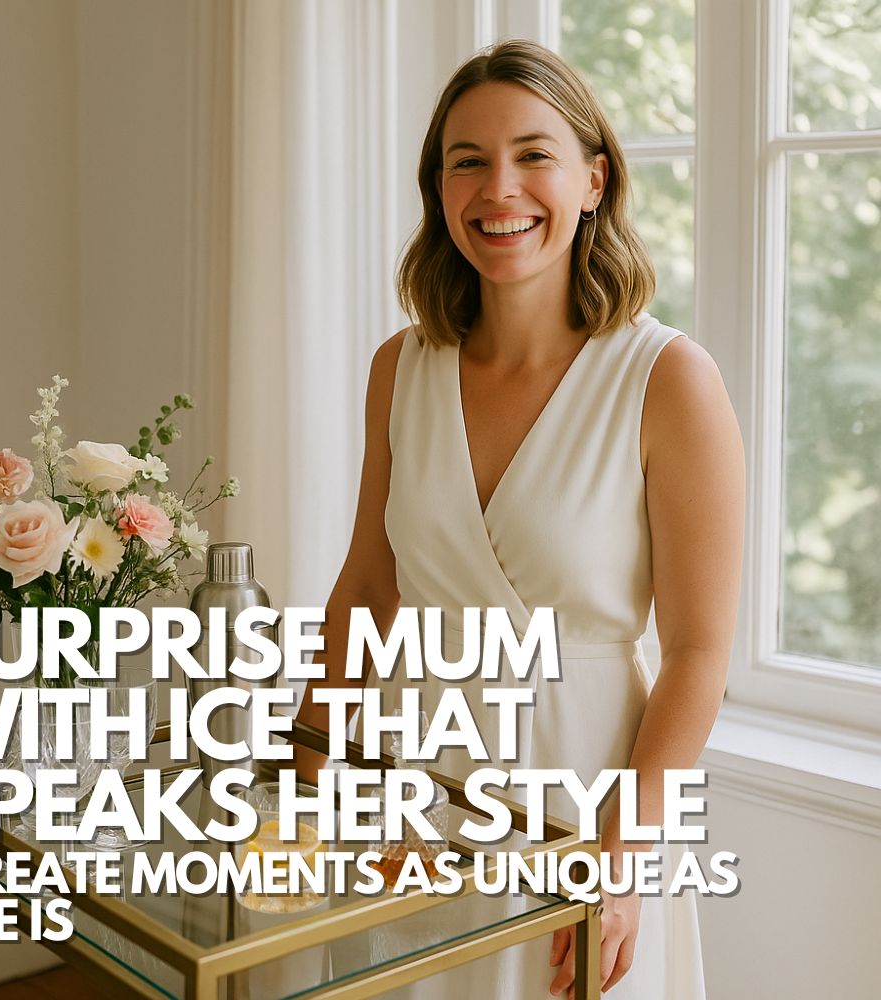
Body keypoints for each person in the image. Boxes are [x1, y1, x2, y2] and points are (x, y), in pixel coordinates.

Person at [296, 38, 744, 1000]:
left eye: (534, 154)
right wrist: (302, 775)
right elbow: (369, 586)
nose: (500, 188)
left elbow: (700, 649)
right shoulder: (400, 367)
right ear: (439, 189)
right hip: (410, 785)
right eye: (468, 160)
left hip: (581, 799)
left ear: (594, 178)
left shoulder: (668, 379)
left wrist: (620, 860)